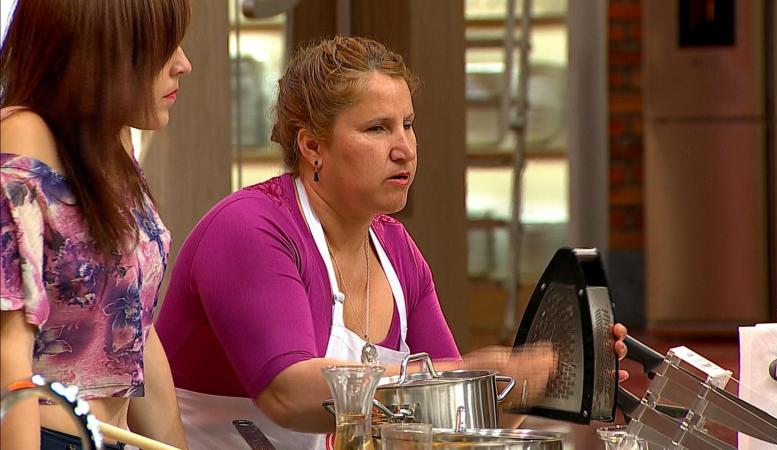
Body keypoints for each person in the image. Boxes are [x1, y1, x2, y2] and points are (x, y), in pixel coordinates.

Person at [155, 35, 628, 450]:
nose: (404, 149)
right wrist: (459, 375)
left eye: (408, 124)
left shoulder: (396, 251)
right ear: (312, 146)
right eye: (377, 129)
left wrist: (533, 380)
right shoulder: (251, 228)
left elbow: (453, 423)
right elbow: (288, 393)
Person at [0, 1, 193, 449]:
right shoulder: (21, 138)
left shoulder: (111, 141)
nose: (183, 64)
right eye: (163, 46)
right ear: (106, 49)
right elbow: (7, 348)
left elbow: (136, 322)